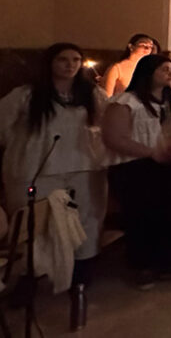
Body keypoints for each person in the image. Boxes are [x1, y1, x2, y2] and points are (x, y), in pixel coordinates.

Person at [0, 43, 108, 328]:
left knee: (85, 221)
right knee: (33, 227)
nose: (70, 65)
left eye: (75, 60)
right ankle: (28, 280)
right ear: (50, 63)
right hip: (38, 169)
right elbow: (3, 126)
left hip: (83, 168)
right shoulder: (26, 95)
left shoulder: (91, 94)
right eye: (62, 59)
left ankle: (81, 277)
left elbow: (109, 123)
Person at [101, 54, 171, 288]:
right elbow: (113, 137)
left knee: (169, 212)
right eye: (163, 69)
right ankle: (142, 265)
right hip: (135, 166)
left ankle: (166, 261)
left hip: (167, 163)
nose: (170, 73)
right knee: (142, 216)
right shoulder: (127, 101)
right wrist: (151, 152)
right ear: (147, 73)